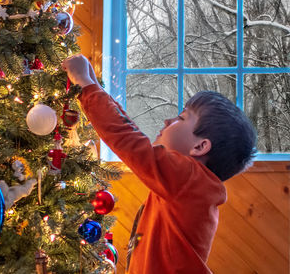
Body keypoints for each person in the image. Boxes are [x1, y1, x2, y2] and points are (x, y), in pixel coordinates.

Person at [62, 54, 257, 274]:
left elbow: (129, 139)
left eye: (181, 118)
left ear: (201, 147)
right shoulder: (186, 184)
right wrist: (93, 85)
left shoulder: (190, 179)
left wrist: (85, 83)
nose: (167, 121)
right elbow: (129, 129)